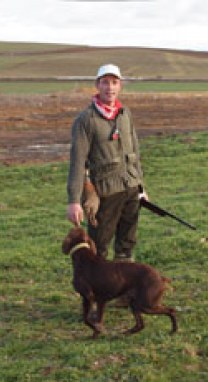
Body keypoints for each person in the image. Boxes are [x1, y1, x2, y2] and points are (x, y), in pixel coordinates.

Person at [66, 64, 146, 261]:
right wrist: (74, 201)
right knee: (99, 247)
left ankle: (124, 288)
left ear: (120, 86)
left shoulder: (125, 114)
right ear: (97, 85)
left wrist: (141, 188)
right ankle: (99, 289)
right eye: (105, 82)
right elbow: (77, 162)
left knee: (127, 245)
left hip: (131, 188)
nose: (109, 88)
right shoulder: (86, 120)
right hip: (106, 193)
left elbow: (134, 152)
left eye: (114, 82)